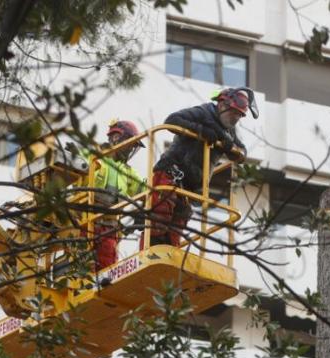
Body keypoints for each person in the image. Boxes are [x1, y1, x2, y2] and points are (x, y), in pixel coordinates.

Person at [146, 87, 257, 248]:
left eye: (239, 115)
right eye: (233, 112)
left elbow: (242, 153)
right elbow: (171, 121)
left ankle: (169, 255)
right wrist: (201, 131)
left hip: (190, 185)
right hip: (170, 172)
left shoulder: (229, 131)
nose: (235, 118)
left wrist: (231, 147)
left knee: (176, 228)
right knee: (159, 219)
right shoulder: (203, 112)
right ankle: (149, 252)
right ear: (221, 105)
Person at [86, 119, 147, 270]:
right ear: (116, 138)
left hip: (110, 229)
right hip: (86, 223)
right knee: (85, 269)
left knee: (107, 271)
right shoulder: (93, 157)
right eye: (130, 145)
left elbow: (145, 190)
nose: (130, 150)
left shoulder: (125, 171)